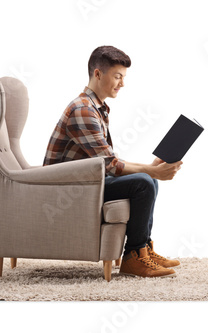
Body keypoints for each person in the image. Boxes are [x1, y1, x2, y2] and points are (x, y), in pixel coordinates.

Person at [43, 45, 183, 278]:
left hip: (87, 182)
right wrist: (151, 171)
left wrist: (151, 170)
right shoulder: (83, 110)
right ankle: (133, 258)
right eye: (117, 76)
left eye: (123, 77)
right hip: (68, 190)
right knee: (144, 182)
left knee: (147, 179)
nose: (122, 83)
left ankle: (143, 249)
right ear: (98, 74)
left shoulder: (96, 107)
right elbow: (110, 165)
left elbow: (107, 161)